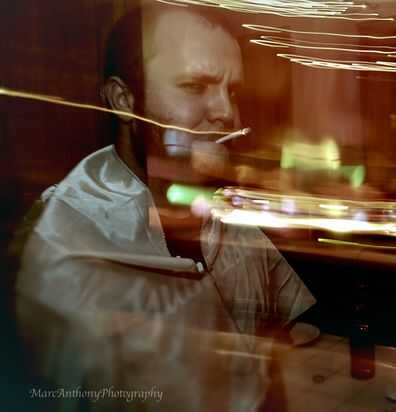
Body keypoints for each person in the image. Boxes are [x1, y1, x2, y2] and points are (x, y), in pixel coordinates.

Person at [14, 3, 315, 411]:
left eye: (232, 91)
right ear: (124, 100)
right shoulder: (63, 244)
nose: (227, 112)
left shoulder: (226, 209)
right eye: (194, 86)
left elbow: (268, 358)